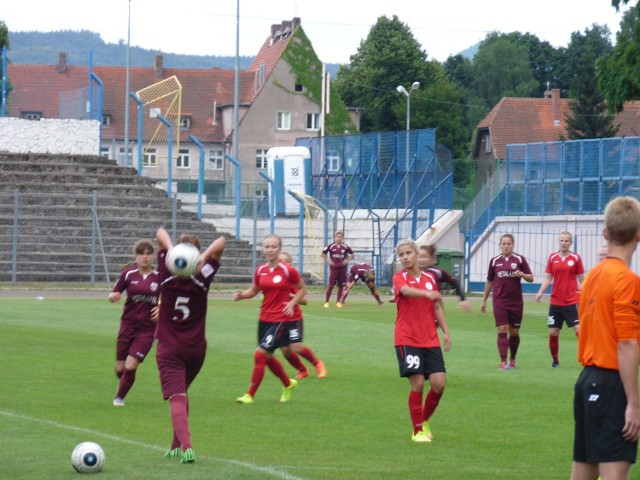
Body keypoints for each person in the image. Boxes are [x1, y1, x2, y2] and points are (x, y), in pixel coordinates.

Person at [571, 196, 640, 480]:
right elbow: (626, 343)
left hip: (586, 381)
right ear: (639, 235)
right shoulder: (627, 281)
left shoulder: (592, 276)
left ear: (605, 233)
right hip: (612, 384)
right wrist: (634, 403)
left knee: (583, 472)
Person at [155, 228, 226, 464]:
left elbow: (160, 233)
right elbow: (221, 242)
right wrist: (204, 257)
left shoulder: (165, 274)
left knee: (177, 396)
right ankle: (175, 445)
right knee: (182, 394)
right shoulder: (202, 277)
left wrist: (171, 250)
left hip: (169, 349)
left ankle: (187, 448)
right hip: (196, 350)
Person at [234, 235, 308, 404]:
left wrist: (292, 302)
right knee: (266, 357)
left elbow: (303, 290)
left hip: (280, 319)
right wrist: (241, 296)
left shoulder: (288, 270)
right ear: (263, 249)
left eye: (273, 246)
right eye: (267, 247)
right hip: (264, 318)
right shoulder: (260, 270)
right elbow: (254, 290)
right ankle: (288, 384)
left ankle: (250, 395)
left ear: (279, 248)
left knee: (260, 355)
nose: (270, 250)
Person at [393, 239, 451, 443]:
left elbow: (436, 307)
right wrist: (426, 294)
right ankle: (417, 431)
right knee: (417, 384)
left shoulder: (429, 278)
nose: (405, 257)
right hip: (407, 339)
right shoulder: (399, 278)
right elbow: (406, 292)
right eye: (401, 255)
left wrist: (445, 331)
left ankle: (424, 420)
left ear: (417, 254)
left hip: (430, 338)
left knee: (439, 384)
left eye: (408, 253)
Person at [108, 239, 159, 407]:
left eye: (148, 254)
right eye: (141, 254)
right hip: (127, 326)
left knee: (131, 366)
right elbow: (114, 293)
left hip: (148, 329)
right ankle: (124, 383)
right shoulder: (128, 275)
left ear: (153, 256)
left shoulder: (159, 277)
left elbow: (169, 298)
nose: (145, 257)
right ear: (136, 256)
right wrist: (113, 297)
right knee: (120, 368)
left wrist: (161, 308)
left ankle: (119, 397)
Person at [480, 233, 534, 370]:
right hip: (499, 301)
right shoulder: (494, 261)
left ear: (513, 245)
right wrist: (484, 300)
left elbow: (531, 278)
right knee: (502, 329)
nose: (506, 246)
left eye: (508, 244)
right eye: (503, 244)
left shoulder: (520, 260)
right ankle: (503, 362)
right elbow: (490, 281)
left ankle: (513, 359)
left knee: (514, 332)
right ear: (500, 245)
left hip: (516, 302)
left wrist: (522, 274)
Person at [535, 231, 585, 368]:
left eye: (566, 241)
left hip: (571, 300)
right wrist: (540, 292)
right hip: (556, 301)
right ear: (558, 241)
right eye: (561, 240)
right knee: (553, 331)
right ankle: (555, 361)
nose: (564, 243)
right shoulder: (553, 258)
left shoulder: (575, 258)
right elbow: (548, 277)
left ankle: (586, 358)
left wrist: (584, 293)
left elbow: (582, 279)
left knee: (578, 330)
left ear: (570, 243)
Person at [277, 251, 327, 380]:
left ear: (290, 264)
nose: (283, 263)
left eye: (286, 261)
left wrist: (291, 296)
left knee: (296, 347)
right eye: (280, 260)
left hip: (294, 318)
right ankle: (302, 370)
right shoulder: (275, 280)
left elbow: (304, 301)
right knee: (285, 350)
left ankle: (317, 363)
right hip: (279, 319)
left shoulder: (293, 281)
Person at [418, 244, 471, 313]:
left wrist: (463, 299)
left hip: (435, 309)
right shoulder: (413, 272)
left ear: (432, 258)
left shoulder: (437, 272)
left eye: (424, 257)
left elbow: (454, 281)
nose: (421, 260)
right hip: (419, 308)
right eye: (419, 257)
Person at [321, 231, 355, 308]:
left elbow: (352, 254)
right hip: (334, 268)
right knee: (331, 285)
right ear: (335, 238)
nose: (339, 238)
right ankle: (326, 302)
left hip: (342, 268)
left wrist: (347, 260)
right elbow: (323, 253)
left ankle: (338, 302)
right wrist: (328, 261)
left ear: (342, 238)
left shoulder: (345, 247)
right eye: (337, 237)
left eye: (340, 237)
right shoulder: (331, 246)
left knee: (341, 286)